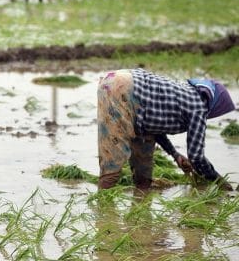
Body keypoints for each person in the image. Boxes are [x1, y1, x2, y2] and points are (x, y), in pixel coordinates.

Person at [97, 69, 235, 190]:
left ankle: (140, 201)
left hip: (122, 85)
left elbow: (156, 127)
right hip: (123, 89)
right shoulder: (199, 108)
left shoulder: (185, 93)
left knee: (143, 177)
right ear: (215, 105)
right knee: (112, 163)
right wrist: (220, 182)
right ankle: (103, 213)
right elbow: (197, 157)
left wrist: (175, 155)